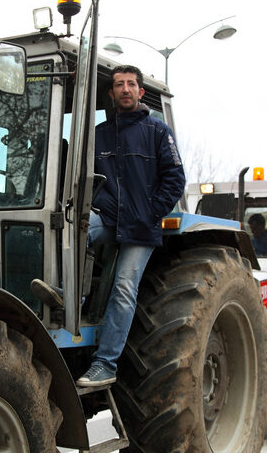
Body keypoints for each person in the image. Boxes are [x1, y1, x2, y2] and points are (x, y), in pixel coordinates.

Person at [32, 65, 185, 387]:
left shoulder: (158, 131)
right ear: (112, 93)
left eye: (131, 84)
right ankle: (68, 295)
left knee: (124, 290)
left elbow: (175, 179)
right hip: (109, 216)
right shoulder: (99, 135)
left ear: (140, 92)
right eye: (119, 84)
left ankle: (106, 363)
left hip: (141, 225)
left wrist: (150, 212)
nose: (126, 89)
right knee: (70, 231)